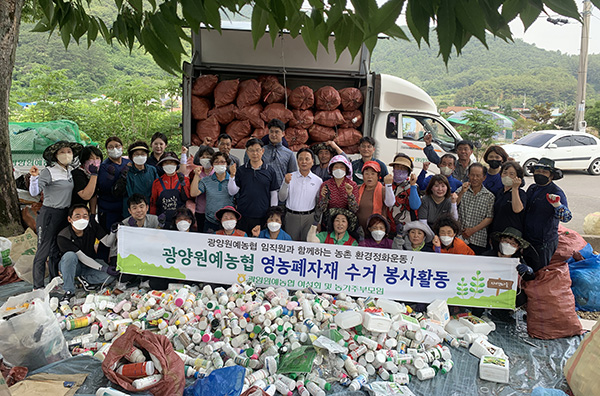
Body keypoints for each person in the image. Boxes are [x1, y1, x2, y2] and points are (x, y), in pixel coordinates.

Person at [28, 140, 83, 289]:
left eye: (69, 152)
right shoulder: (49, 171)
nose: (66, 155)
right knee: (43, 250)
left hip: (64, 214)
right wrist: (34, 178)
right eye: (62, 152)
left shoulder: (70, 171)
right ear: (55, 156)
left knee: (56, 250)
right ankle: (38, 287)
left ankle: (54, 282)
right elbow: (34, 192)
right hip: (49, 214)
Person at [57, 204, 116, 299]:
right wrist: (102, 268)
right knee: (70, 256)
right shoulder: (63, 236)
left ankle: (84, 279)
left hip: (89, 264)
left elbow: (107, 243)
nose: (82, 219)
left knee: (110, 277)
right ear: (69, 219)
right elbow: (81, 257)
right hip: (72, 265)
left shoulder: (92, 225)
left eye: (85, 216)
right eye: (77, 216)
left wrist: (113, 232)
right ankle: (69, 291)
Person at [524, 158, 572, 268]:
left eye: (544, 172)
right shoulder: (532, 188)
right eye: (537, 171)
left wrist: (557, 205)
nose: (540, 174)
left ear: (551, 175)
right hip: (528, 238)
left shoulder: (556, 192)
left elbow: (567, 217)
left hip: (544, 242)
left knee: (539, 271)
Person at [228, 138, 279, 234]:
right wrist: (232, 176)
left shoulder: (270, 171)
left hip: (263, 216)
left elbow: (273, 193)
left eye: (257, 150)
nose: (255, 153)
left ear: (262, 151)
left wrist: (272, 214)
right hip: (243, 214)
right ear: (247, 152)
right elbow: (232, 191)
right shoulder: (241, 170)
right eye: (251, 150)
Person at [279, 148, 323, 241]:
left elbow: (320, 203)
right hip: (291, 216)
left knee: (307, 245)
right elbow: (282, 198)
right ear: (297, 161)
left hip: (309, 217)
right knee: (290, 244)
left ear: (312, 161)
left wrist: (318, 221)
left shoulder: (318, 181)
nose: (304, 162)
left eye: (307, 159)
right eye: (300, 159)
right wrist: (286, 183)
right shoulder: (290, 177)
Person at [455, 163, 495, 255]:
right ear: (468, 175)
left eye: (478, 176)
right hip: (459, 237)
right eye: (472, 175)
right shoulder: (461, 189)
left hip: (478, 239)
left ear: (484, 178)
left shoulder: (489, 196)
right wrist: (462, 192)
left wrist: (472, 230)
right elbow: (454, 205)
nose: (475, 178)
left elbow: (489, 217)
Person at [190, 152, 234, 233]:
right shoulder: (206, 180)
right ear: (212, 164)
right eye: (216, 162)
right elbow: (193, 193)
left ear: (227, 164)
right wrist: (196, 175)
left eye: (222, 162)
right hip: (210, 221)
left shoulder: (232, 180)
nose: (219, 164)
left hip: (228, 222)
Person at [115, 141, 159, 217]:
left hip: (149, 212)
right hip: (131, 213)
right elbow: (118, 191)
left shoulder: (152, 170)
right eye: (136, 154)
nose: (140, 156)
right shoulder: (126, 172)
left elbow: (158, 189)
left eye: (142, 154)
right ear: (131, 157)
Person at [97, 136, 130, 236]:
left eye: (117, 146)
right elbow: (103, 187)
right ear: (107, 150)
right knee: (109, 239)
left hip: (125, 209)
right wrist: (110, 177)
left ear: (122, 147)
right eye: (110, 147)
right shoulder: (104, 166)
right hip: (109, 210)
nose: (114, 149)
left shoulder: (128, 163)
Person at [149, 152, 190, 229]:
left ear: (176, 165)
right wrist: (154, 220)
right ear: (162, 166)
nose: (169, 165)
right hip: (163, 221)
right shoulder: (157, 182)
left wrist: (183, 185)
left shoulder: (184, 180)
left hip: (180, 221)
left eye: (171, 162)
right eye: (166, 163)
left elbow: (188, 197)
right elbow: (153, 203)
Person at [253, 118, 298, 190]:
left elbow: (293, 175)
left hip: (281, 192)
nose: (273, 135)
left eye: (277, 132)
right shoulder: (261, 151)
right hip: (262, 191)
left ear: (283, 133)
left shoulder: (289, 154)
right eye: (271, 132)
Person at [356, 161, 395, 234]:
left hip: (376, 232)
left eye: (373, 174)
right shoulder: (357, 189)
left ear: (378, 176)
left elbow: (390, 203)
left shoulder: (383, 190)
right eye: (366, 174)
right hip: (359, 230)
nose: (369, 176)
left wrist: (389, 185)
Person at [317, 155, 359, 222]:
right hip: (329, 221)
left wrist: (350, 194)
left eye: (342, 167)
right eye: (336, 167)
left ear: (346, 169)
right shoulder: (325, 185)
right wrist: (324, 198)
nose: (338, 169)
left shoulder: (352, 185)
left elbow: (354, 209)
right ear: (331, 169)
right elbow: (322, 209)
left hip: (346, 221)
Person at [387, 153, 421, 234]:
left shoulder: (411, 187)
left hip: (406, 230)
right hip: (387, 229)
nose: (399, 170)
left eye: (403, 168)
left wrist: (412, 185)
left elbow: (415, 205)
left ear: (408, 171)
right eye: (397, 167)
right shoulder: (387, 184)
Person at [491, 161, 526, 235]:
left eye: (511, 174)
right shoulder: (500, 192)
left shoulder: (521, 193)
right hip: (497, 233)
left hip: (512, 236)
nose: (507, 176)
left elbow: (517, 209)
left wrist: (515, 188)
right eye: (505, 173)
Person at [190, 145, 215, 231]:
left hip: (214, 212)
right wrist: (197, 176)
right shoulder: (197, 172)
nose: (205, 159)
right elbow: (192, 192)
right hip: (200, 210)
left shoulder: (217, 173)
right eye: (203, 157)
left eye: (208, 157)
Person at [71, 146, 102, 213]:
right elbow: (86, 195)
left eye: (97, 158)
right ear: (84, 161)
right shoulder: (77, 174)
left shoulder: (92, 174)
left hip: (82, 211)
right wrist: (94, 175)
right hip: (72, 211)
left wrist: (93, 214)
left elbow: (93, 195)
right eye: (91, 158)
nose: (95, 161)